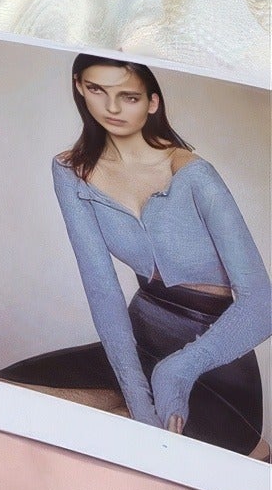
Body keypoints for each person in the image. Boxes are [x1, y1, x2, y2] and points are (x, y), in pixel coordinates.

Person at [52, 56, 272, 457]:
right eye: (98, 90)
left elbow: (262, 304)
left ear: (153, 102)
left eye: (129, 96)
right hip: (138, 339)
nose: (112, 108)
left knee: (145, 451)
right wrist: (137, 394)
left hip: (213, 352)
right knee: (25, 400)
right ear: (79, 87)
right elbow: (102, 289)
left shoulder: (194, 175)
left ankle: (255, 454)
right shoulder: (70, 171)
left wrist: (177, 370)